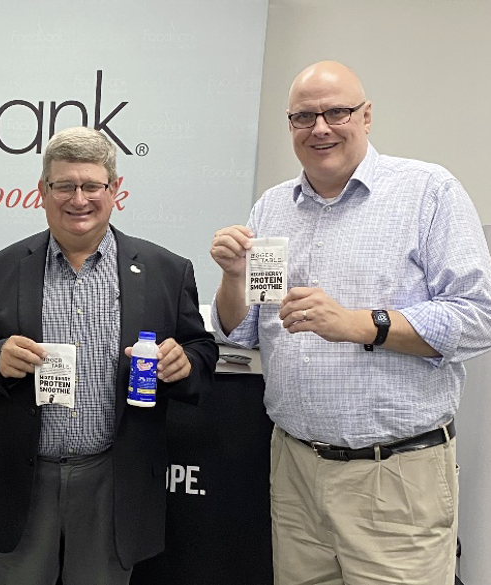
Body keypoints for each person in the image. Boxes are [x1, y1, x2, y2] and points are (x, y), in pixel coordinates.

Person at [210, 61, 491, 585]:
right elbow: (238, 333)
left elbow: (477, 316)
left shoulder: (427, 191)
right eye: (303, 116)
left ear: (366, 116)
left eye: (336, 111)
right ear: (290, 125)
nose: (320, 127)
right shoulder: (272, 207)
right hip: (294, 468)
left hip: (394, 474)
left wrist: (361, 324)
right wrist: (231, 278)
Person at [0, 126, 217, 585]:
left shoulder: (165, 271)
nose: (79, 199)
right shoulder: (1, 267)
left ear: (114, 189)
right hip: (22, 479)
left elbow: (202, 350)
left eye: (92, 185)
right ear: (43, 191)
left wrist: (184, 365)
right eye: (64, 185)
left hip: (114, 480)